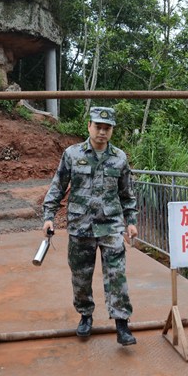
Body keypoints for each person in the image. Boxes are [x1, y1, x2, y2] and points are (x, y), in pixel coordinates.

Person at [42, 106, 138, 346]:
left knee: (116, 275)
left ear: (112, 130)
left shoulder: (120, 158)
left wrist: (131, 221)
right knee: (81, 276)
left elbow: (127, 194)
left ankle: (122, 323)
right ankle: (85, 315)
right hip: (80, 226)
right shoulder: (72, 154)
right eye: (98, 127)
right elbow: (58, 186)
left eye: (107, 128)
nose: (102, 132)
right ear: (89, 126)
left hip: (111, 225)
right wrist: (49, 216)